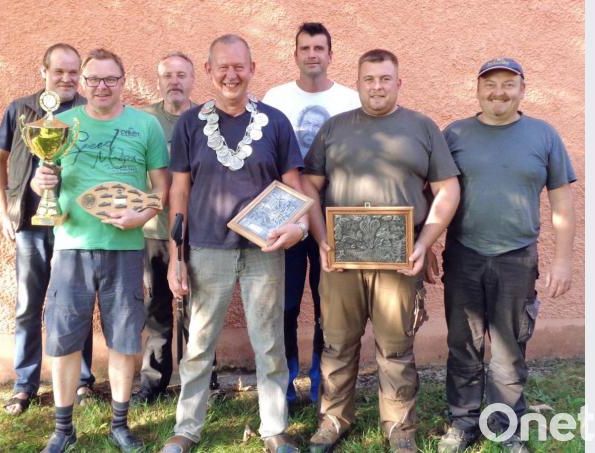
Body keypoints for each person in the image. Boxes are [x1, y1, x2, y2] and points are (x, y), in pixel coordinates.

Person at [300, 49, 460, 453]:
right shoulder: (334, 129)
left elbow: (448, 191)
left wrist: (424, 244)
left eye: (385, 79)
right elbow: (309, 188)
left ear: (398, 83)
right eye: (369, 79)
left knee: (396, 347)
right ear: (358, 83)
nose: (377, 86)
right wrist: (321, 239)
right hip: (341, 259)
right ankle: (334, 419)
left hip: (399, 260)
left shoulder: (423, 128)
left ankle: (400, 427)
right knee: (337, 343)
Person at [158, 34, 305, 453]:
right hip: (206, 248)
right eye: (222, 66)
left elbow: (294, 188)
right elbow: (179, 193)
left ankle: (274, 429)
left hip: (264, 252)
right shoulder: (190, 124)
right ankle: (187, 429)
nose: (231, 74)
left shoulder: (275, 121)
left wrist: (298, 229)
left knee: (269, 342)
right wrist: (176, 257)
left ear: (252, 69)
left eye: (239, 66)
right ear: (208, 71)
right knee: (199, 344)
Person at [435, 58, 577, 453]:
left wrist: (562, 260)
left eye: (508, 84)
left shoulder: (543, 135)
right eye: (490, 84)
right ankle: (463, 422)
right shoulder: (456, 134)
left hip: (517, 258)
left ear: (522, 90)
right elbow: (436, 195)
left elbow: (562, 201)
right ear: (477, 89)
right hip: (464, 254)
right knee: (463, 341)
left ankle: (504, 425)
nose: (499, 92)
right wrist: (427, 243)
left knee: (509, 346)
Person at [30, 48, 169, 453]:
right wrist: (42, 183)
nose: (101, 87)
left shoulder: (146, 126)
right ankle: (63, 428)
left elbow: (161, 188)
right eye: (93, 79)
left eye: (110, 79)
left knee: (126, 340)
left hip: (125, 249)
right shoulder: (59, 125)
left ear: (123, 81)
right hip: (71, 248)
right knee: (64, 339)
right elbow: (44, 186)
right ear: (82, 82)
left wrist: (143, 216)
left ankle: (120, 424)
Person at [0, 43, 96, 416]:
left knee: (76, 304)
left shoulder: (89, 112)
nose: (66, 79)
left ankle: (82, 381)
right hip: (30, 224)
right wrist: (4, 211)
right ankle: (25, 385)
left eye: (72, 73)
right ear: (44, 71)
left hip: (76, 224)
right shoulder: (20, 109)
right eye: (59, 72)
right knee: (28, 305)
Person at [262, 22, 361, 408]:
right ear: (296, 54)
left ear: (331, 55)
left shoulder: (350, 100)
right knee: (284, 307)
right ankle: (285, 383)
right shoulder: (276, 97)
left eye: (319, 48)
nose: (312, 55)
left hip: (334, 218)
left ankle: (323, 383)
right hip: (284, 218)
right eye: (305, 48)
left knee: (328, 308)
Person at [132, 51, 219, 406]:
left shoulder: (207, 119)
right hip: (155, 231)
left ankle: (203, 382)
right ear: (159, 80)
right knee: (157, 309)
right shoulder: (143, 121)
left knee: (200, 310)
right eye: (168, 75)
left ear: (193, 78)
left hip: (199, 232)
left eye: (182, 74)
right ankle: (153, 382)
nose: (175, 81)